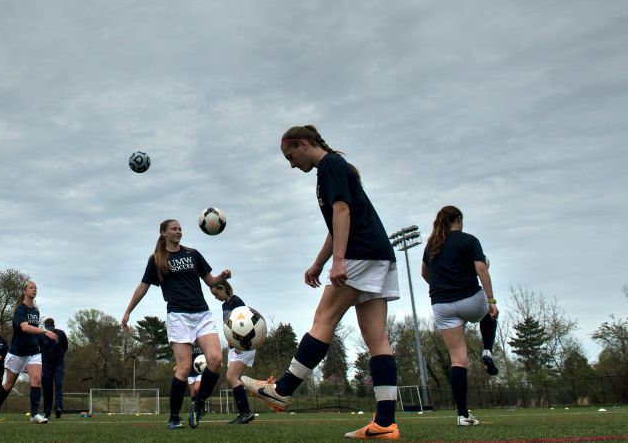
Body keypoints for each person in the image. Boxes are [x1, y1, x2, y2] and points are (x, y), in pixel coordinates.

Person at [241, 125, 401, 440]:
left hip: (360, 253)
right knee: (376, 339)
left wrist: (339, 260)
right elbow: (336, 221)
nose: (291, 164)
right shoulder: (331, 169)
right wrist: (319, 261)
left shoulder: (329, 165)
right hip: (378, 254)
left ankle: (282, 390)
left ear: (302, 144)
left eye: (290, 156)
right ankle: (384, 425)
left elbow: (343, 212)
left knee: (324, 319)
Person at [122, 219, 231, 429]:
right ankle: (173, 417)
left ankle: (198, 405)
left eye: (180, 228)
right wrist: (128, 311)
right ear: (163, 232)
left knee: (216, 360)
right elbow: (143, 287)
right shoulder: (156, 260)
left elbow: (210, 281)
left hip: (202, 314)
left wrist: (222, 277)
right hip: (178, 316)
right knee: (184, 367)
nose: (178, 232)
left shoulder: (193, 254)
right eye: (174, 229)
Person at [421, 205, 500, 427]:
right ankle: (487, 349)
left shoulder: (431, 245)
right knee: (488, 313)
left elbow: (424, 272)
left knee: (458, 360)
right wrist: (492, 300)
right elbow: (481, 269)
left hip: (442, 305)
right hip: (470, 299)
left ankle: (463, 416)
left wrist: (441, 286)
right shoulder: (469, 240)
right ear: (458, 220)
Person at [0, 281, 57, 424]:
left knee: (36, 380)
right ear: (24, 291)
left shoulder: (35, 311)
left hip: (33, 353)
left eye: (36, 288)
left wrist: (39, 343)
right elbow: (25, 328)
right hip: (17, 353)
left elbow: (34, 331)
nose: (34, 290)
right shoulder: (20, 309)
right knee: (8, 385)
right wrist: (45, 331)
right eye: (31, 288)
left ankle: (34, 415)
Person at [210, 282, 256, 424]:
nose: (216, 297)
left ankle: (246, 412)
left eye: (216, 294)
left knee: (232, 377)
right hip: (233, 347)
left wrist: (241, 343)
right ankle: (244, 413)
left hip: (242, 345)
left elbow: (246, 322)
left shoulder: (236, 301)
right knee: (232, 378)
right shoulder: (225, 305)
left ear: (223, 289)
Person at [40, 317, 68, 419]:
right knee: (47, 387)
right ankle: (47, 412)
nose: (50, 330)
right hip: (46, 364)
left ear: (54, 327)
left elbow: (65, 346)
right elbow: (38, 349)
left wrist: (59, 356)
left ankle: (58, 407)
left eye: (51, 328)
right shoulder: (41, 336)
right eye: (48, 328)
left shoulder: (61, 334)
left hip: (58, 364)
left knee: (58, 384)